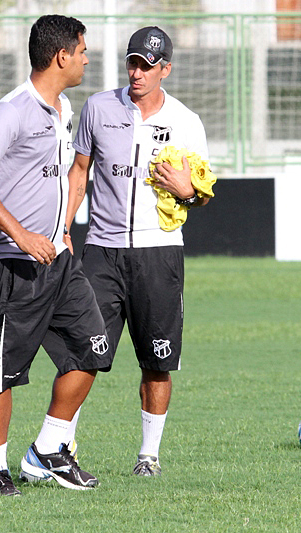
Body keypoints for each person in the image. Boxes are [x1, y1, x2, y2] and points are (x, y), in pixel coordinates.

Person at [0, 14, 111, 495]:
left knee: (94, 348)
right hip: (5, 263)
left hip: (56, 260)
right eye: (83, 49)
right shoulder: (11, 110)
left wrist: (61, 226)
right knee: (2, 371)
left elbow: (61, 175)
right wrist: (23, 235)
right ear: (62, 56)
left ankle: (48, 450)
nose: (88, 57)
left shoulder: (63, 108)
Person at [63, 26, 211, 477]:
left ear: (166, 68)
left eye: (148, 65)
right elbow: (80, 170)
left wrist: (188, 191)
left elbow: (201, 192)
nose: (138, 72)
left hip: (158, 253)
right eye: (133, 63)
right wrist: (63, 227)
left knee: (157, 360)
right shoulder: (98, 107)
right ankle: (60, 447)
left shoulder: (186, 121)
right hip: (101, 252)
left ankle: (148, 456)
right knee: (82, 354)